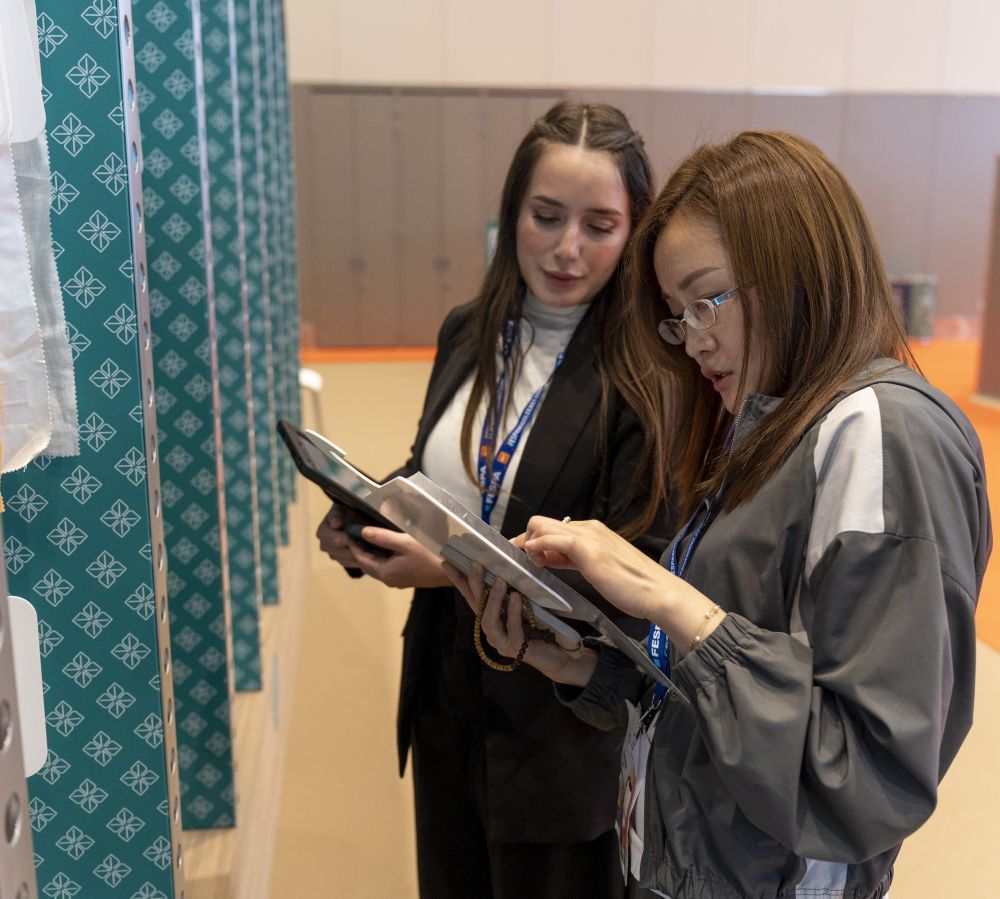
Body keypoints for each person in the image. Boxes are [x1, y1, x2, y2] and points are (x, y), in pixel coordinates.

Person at [454, 130, 992, 899]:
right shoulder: (770, 428)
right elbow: (741, 697)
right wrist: (592, 666)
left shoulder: (881, 431)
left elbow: (864, 775)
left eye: (706, 301)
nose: (693, 340)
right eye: (678, 315)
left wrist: (672, 600)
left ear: (796, 268)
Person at [316, 101, 672, 899]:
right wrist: (365, 517)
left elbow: (637, 571)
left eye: (600, 226)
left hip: (557, 721)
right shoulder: (469, 330)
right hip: (444, 686)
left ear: (635, 232)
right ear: (512, 212)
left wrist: (447, 565)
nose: (567, 247)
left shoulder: (644, 376)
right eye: (546, 216)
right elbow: (435, 475)